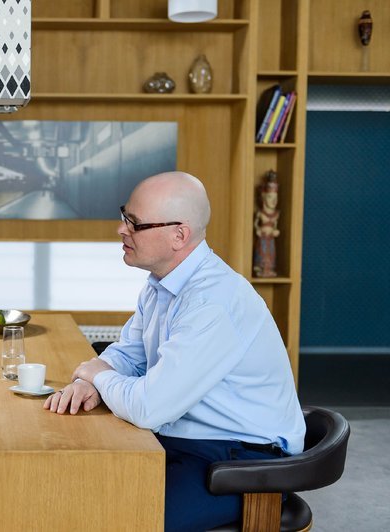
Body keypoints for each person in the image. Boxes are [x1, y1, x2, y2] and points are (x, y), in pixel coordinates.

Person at [43, 171, 305, 531]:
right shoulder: (161, 284)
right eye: (125, 216)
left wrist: (96, 374)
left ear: (179, 235)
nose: (122, 230)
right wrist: (94, 376)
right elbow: (130, 353)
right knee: (72, 489)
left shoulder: (212, 302)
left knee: (116, 518)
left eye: (134, 223)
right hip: (188, 439)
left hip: (240, 460)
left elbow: (149, 408)